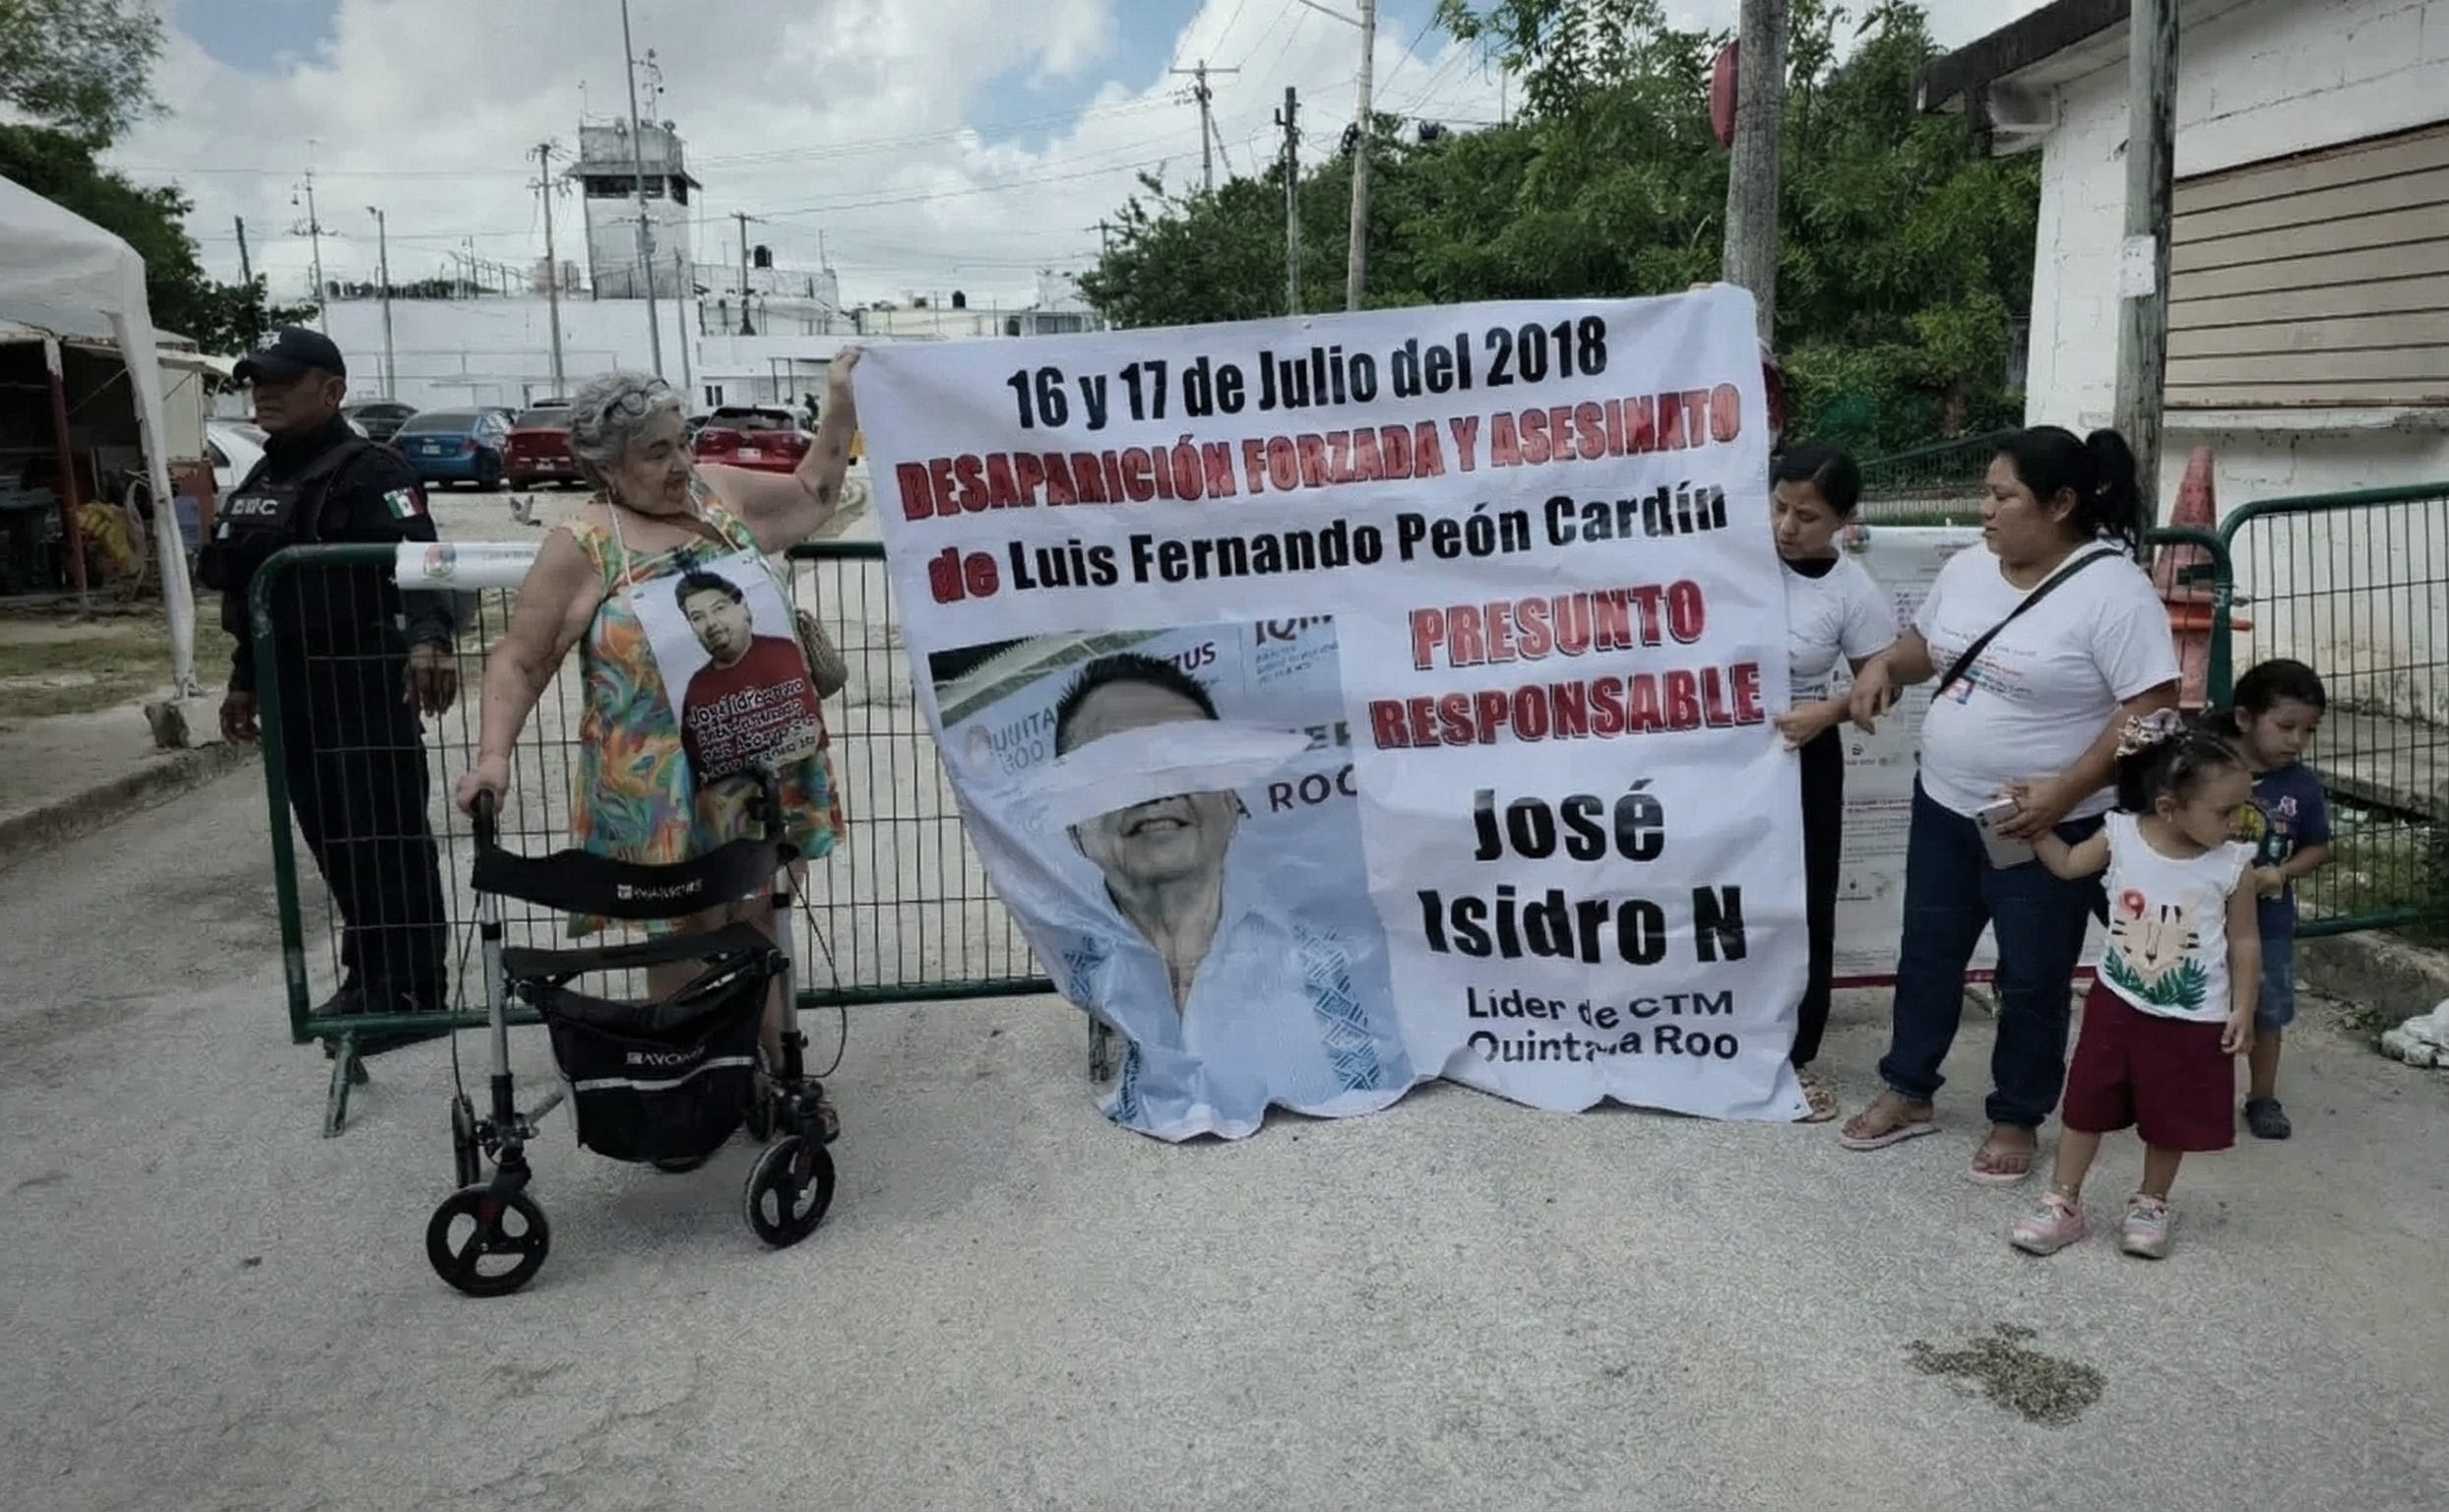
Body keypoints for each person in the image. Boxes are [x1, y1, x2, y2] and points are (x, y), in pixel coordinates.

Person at [454, 356, 860, 1053]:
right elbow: (522, 659)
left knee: (761, 913)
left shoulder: (717, 493)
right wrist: (493, 757)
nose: (681, 464)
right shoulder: (582, 545)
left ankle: (772, 1068)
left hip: (759, 765)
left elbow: (814, 494)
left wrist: (841, 403)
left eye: (683, 442)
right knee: (683, 933)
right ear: (605, 467)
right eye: (656, 452)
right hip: (661, 788)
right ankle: (695, 1079)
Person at [1839, 426, 2181, 1182]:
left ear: (2060, 504)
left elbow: (2153, 707)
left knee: (2031, 973)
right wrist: (1882, 669)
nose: (1985, 510)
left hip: (2043, 823)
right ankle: (1908, 1088)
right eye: (1986, 493)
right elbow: (1926, 647)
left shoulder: (2112, 592)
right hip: (1945, 805)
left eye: (2004, 496)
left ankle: (2018, 1114)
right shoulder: (1969, 567)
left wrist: (2065, 790)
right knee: (1927, 953)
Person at [200, 326, 459, 1037]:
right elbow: (253, 591)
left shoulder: (375, 470)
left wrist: (429, 638)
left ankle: (413, 990)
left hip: (362, 675)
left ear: (331, 390)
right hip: (291, 680)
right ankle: (369, 976)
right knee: (332, 837)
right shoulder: (266, 477)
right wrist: (244, 679)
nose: (265, 393)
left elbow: (423, 557)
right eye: (258, 381)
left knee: (385, 835)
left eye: (283, 381)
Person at [1050, 652, 1409, 1126]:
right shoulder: (1077, 958)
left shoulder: (1341, 963)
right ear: (1073, 823)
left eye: (1186, 758)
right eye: (1118, 765)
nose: (1157, 789)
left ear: (1231, 800)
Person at [2008, 713, 2258, 1259]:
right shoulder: (2121, 834)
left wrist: (2243, 1008)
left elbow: (2244, 941)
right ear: (2168, 807)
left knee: (2170, 1115)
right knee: (2085, 1104)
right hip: (2116, 1004)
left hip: (2193, 1018)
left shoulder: (2234, 865)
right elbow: (2069, 864)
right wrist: (2034, 828)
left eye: (2242, 807)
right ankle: (2062, 1201)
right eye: (2224, 811)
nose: (2237, 822)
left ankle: (2151, 1202)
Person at [1766, 444, 1896, 1122]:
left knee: (1805, 900)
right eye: (1780, 507)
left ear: (1845, 520)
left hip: (1803, 753)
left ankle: (1795, 1049)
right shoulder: (1732, 557)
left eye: (1808, 516)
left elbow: (1885, 683)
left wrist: (1831, 710)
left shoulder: (1852, 591)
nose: (1787, 527)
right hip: (1714, 755)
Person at [2219, 658, 2332, 1140]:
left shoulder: (2301, 787)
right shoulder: (2208, 771)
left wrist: (2281, 872)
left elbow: (2318, 847)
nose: (2297, 741)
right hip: (2203, 921)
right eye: (2286, 727)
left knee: (2266, 1013)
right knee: (2202, 1007)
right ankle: (2197, 1092)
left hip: (2269, 924)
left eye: (2308, 730)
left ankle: (2262, 1097)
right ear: (2245, 718)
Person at [670, 569, 823, 781]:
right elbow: (696, 763)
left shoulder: (782, 653)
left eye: (719, 608)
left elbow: (810, 730)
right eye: (697, 617)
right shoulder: (697, 686)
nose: (711, 623)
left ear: (743, 608)